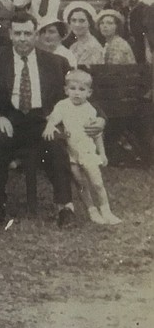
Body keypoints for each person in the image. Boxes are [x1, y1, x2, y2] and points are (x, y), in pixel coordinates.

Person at [0, 11, 103, 227]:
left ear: (36, 35)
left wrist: (101, 118)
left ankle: (65, 207)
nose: (23, 38)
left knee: (57, 143)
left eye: (28, 33)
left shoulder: (55, 63)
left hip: (42, 120)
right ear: (11, 34)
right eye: (18, 33)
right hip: (8, 120)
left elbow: (80, 91)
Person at [42, 68, 120, 225]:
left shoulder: (90, 109)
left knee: (97, 182)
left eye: (82, 90)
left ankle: (106, 211)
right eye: (72, 89)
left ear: (89, 92)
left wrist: (102, 154)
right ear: (66, 90)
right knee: (80, 183)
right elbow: (53, 118)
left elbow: (97, 134)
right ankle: (91, 210)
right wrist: (50, 126)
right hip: (72, 153)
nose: (77, 93)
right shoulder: (62, 106)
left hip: (88, 151)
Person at [105, 0, 151, 65]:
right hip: (115, 51)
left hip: (138, 52)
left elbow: (148, 33)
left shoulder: (143, 8)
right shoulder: (110, 7)